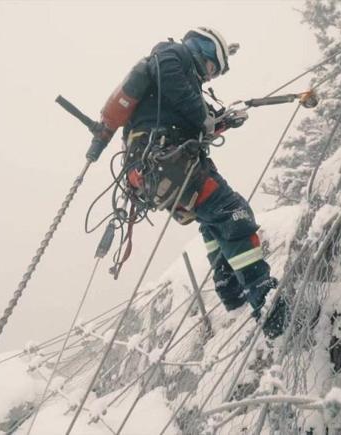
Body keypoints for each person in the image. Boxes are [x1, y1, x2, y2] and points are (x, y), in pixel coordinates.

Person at [88, 27, 287, 338]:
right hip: (167, 162)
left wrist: (220, 123)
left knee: (212, 219)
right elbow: (178, 90)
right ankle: (270, 304)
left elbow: (186, 117)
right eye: (211, 68)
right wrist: (204, 116)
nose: (209, 77)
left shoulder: (175, 84)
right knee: (233, 213)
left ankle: (230, 290)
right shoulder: (172, 54)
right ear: (202, 49)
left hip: (161, 168)